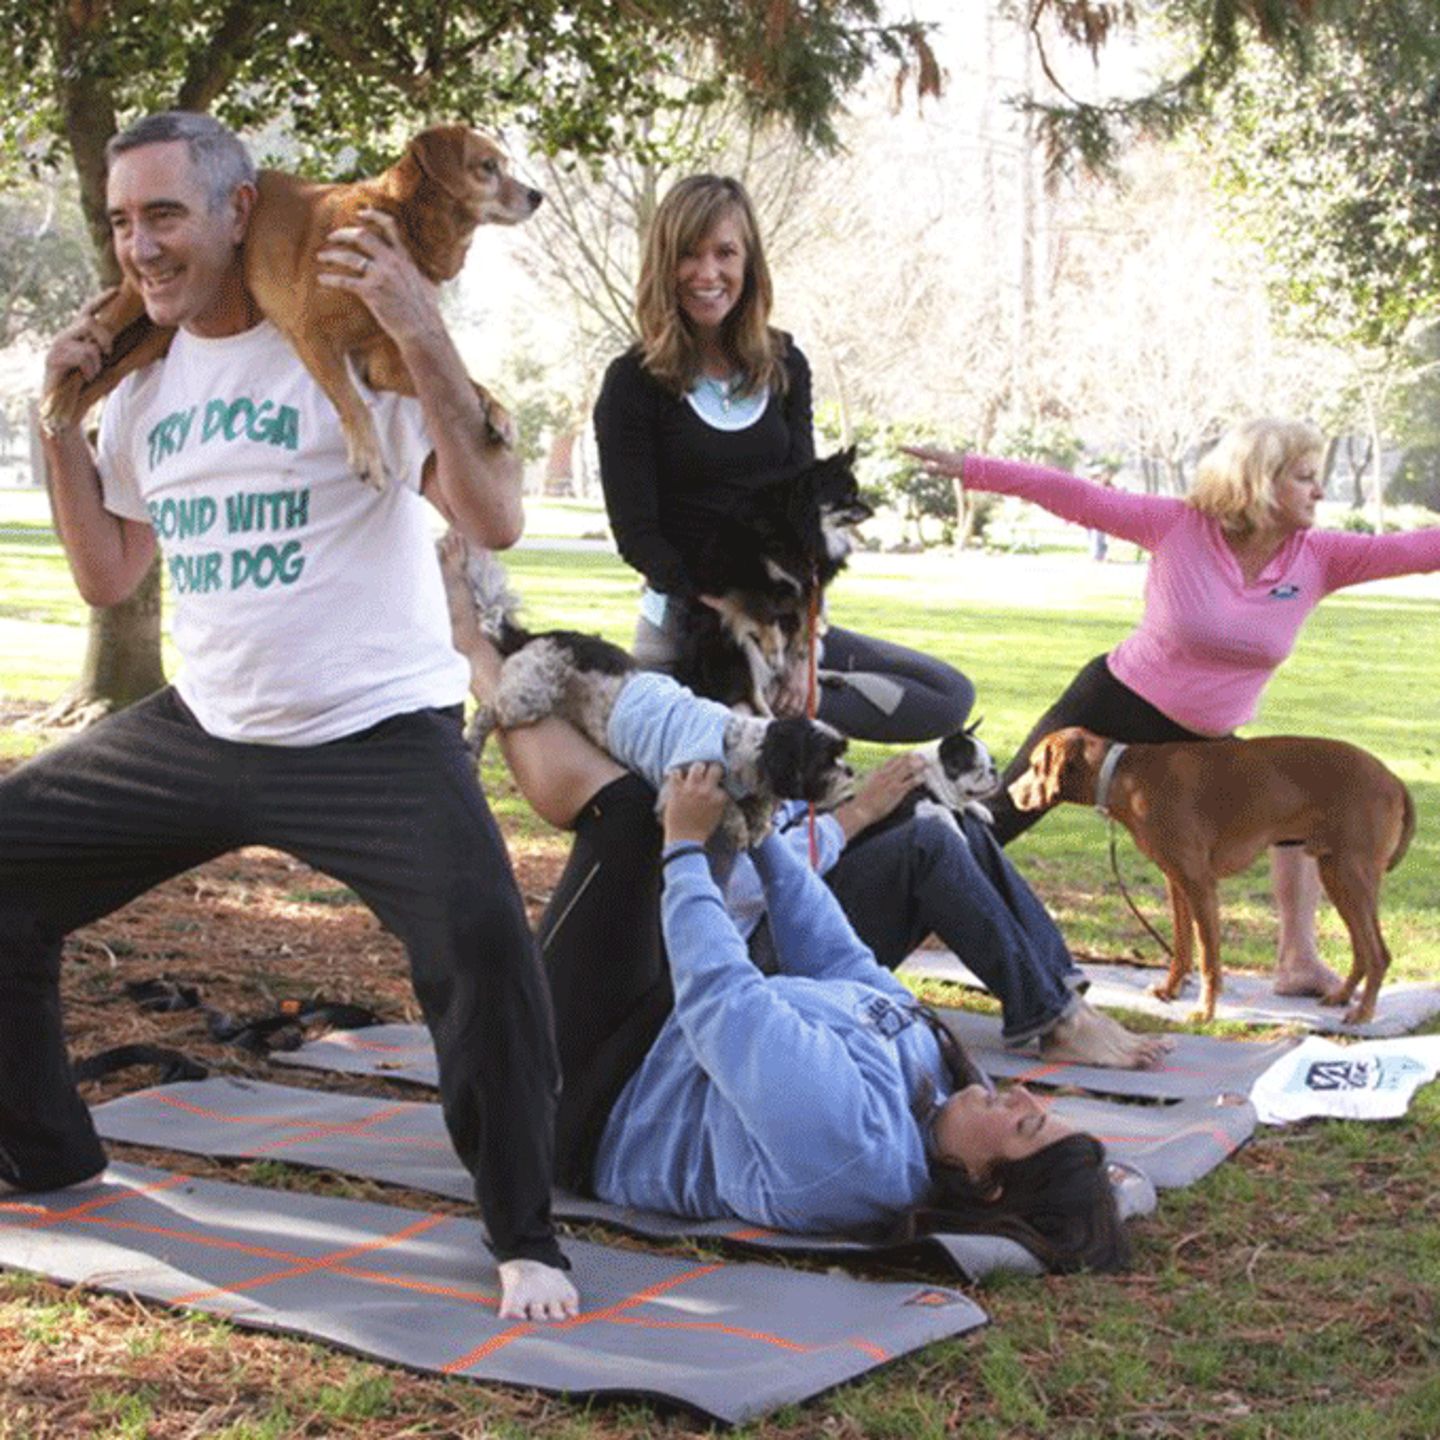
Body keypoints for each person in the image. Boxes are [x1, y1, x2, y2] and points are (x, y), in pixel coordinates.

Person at [5, 112, 576, 1322]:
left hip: (372, 733)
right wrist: (54, 420)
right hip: (205, 729)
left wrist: (427, 330)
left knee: (483, 943)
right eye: (120, 222)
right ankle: (46, 1155)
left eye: (163, 215)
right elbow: (109, 577)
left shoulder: (352, 336)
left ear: (237, 208)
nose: (139, 247)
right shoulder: (148, 386)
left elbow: (495, 516)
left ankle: (527, 1236)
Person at [439, 542, 1132, 1272]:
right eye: (1041, 1114)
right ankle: (514, 668)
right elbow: (840, 958)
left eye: (1026, 1129)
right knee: (667, 790)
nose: (1021, 1097)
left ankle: (475, 654)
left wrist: (686, 844)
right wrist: (759, 829)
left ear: (985, 1189)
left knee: (630, 813)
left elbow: (723, 1002)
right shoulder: (940, 1096)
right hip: (660, 1028)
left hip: (572, 1094)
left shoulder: (851, 1149)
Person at [908, 419, 1440, 999]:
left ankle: (1298, 960)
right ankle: (889, 926)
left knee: (1298, 808)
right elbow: (1076, 497)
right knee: (997, 814)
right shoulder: (1179, 525)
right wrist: (974, 469)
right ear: (1259, 482)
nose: (1319, 492)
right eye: (1306, 478)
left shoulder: (1321, 557)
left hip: (1204, 743)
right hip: (1112, 705)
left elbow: (1417, 549)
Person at [594, 173, 973, 742]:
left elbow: (807, 518)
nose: (707, 274)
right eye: (688, 256)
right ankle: (752, 728)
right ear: (663, 265)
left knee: (947, 697)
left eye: (725, 253)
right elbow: (638, 536)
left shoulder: (784, 364)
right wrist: (749, 619)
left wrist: (800, 650)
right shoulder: (634, 382)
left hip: (787, 625)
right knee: (719, 819)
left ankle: (793, 712)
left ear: (749, 263)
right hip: (691, 631)